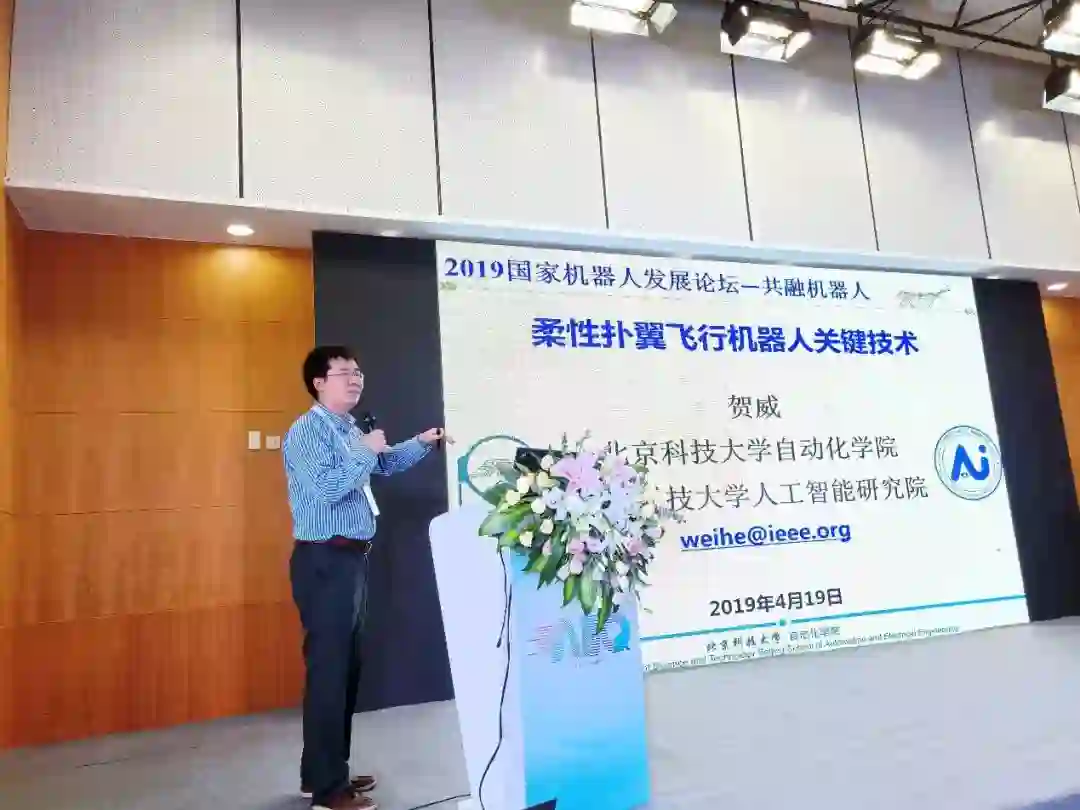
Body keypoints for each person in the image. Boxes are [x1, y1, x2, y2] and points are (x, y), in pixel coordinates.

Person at [283, 345, 449, 810]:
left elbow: (383, 463)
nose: (355, 379)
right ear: (318, 382)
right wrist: (365, 450)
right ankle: (327, 791)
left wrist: (422, 442)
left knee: (345, 671)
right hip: (324, 561)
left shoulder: (347, 428)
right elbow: (329, 488)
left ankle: (324, 772)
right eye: (344, 373)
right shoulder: (307, 431)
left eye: (358, 372)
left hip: (350, 560)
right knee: (329, 673)